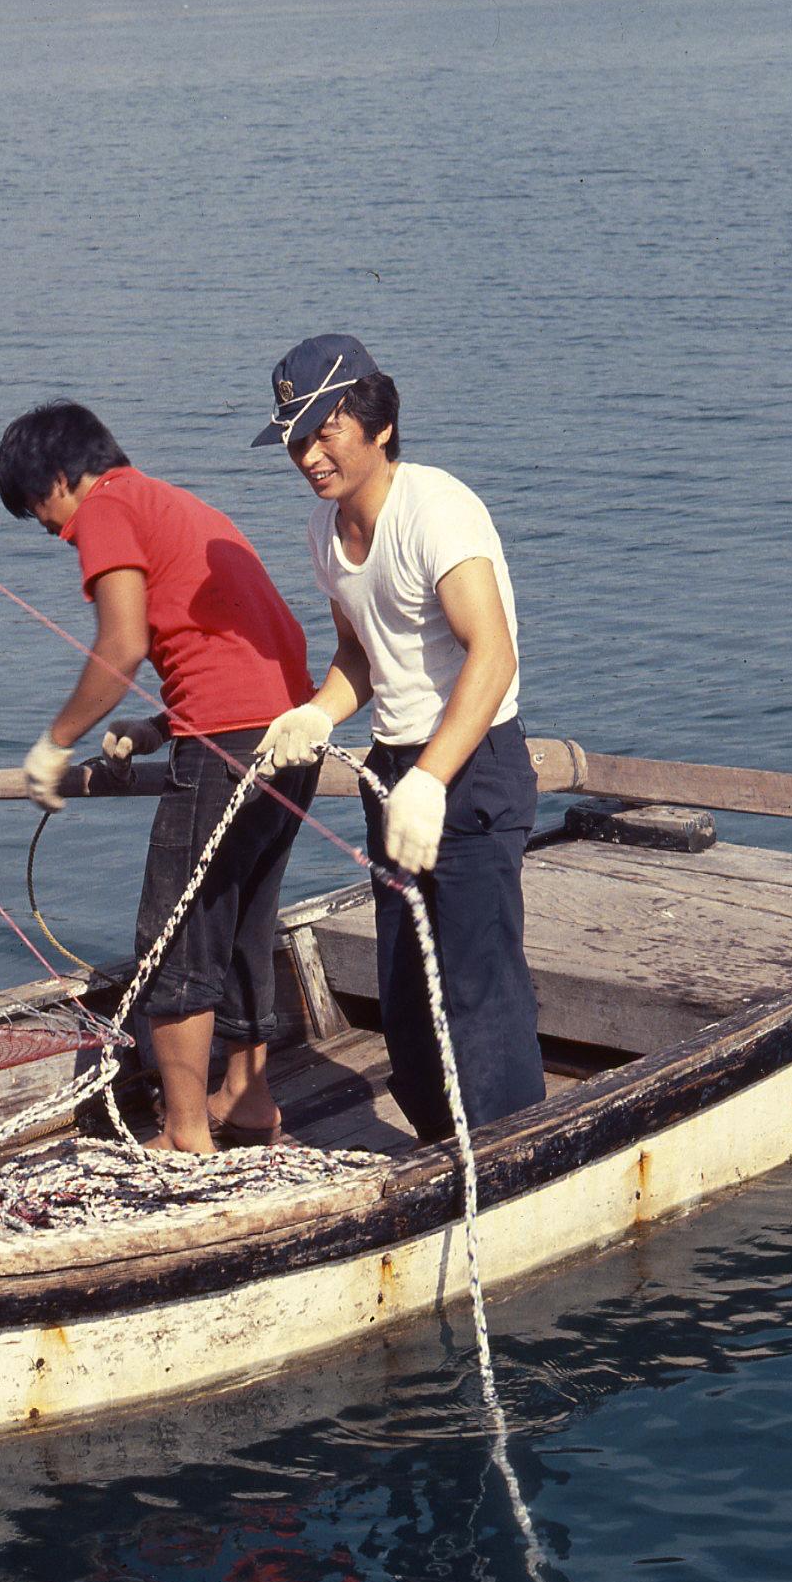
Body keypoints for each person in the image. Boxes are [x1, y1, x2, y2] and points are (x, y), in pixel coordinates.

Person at [0, 401, 319, 1154]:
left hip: (228, 743)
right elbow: (233, 638)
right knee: (240, 920)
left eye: (39, 508)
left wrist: (55, 742)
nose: (48, 528)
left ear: (61, 478)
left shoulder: (106, 505)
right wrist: (159, 725)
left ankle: (183, 1132)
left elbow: (123, 642)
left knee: (174, 935)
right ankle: (246, 1096)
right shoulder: (176, 501)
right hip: (291, 732)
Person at [250, 336, 545, 1143]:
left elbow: (493, 653)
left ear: (378, 423)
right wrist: (317, 712)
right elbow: (360, 655)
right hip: (394, 772)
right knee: (408, 1001)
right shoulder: (325, 531)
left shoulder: (436, 509)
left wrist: (434, 777)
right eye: (294, 438)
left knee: (478, 990)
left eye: (324, 432)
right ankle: (445, 1153)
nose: (307, 455)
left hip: (471, 767)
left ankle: (516, 1160)